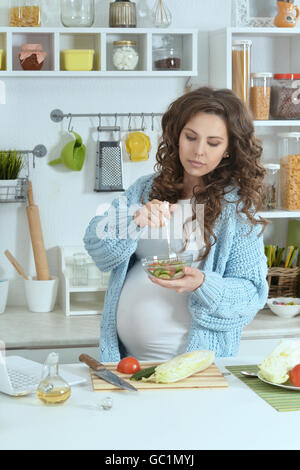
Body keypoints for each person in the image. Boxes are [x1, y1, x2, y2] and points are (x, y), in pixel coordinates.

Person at [84, 87, 269, 363]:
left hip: (194, 365)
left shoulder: (236, 208)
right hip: (128, 361)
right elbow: (96, 245)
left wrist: (203, 284)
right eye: (191, 137)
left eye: (213, 143)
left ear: (229, 149)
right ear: (176, 136)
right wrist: (133, 220)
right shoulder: (145, 190)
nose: (198, 151)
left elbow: (252, 294)